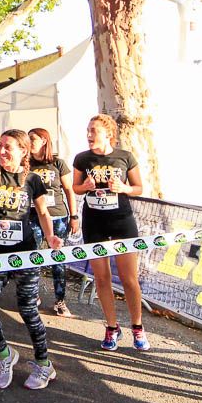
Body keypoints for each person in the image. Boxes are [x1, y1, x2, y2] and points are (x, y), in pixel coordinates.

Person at [0, 129, 59, 390]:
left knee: (28, 310)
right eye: (1, 146)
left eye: (9, 147)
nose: (3, 151)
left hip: (24, 254)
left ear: (23, 151)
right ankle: (5, 355)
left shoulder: (32, 179)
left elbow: (42, 212)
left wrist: (51, 237)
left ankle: (43, 363)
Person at [72, 114, 148, 351]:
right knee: (101, 278)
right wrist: (84, 187)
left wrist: (123, 187)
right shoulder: (82, 158)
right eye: (87, 130)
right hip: (94, 223)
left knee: (128, 279)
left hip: (121, 222)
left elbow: (138, 188)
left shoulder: (124, 156)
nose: (89, 135)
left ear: (108, 134)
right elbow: (75, 187)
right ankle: (112, 327)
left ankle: (137, 327)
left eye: (93, 130)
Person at [29, 128, 77, 317]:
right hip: (34, 216)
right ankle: (34, 296)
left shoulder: (58, 163)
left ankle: (60, 300)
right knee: (34, 256)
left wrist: (74, 216)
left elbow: (69, 190)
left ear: (44, 140)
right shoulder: (26, 164)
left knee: (58, 259)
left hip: (58, 216)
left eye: (33, 139)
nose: (30, 142)